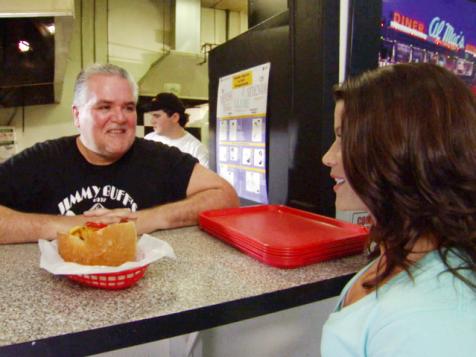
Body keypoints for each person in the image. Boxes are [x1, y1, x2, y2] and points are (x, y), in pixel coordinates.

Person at [321, 63, 476, 356]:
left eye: (344, 138)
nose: (327, 157)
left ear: (398, 149)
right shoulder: (401, 247)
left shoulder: (430, 319)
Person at [0, 64, 238, 244]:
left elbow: (225, 196)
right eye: (104, 107)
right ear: (76, 115)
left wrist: (146, 220)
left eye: (128, 107)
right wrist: (72, 225)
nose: (121, 117)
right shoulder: (43, 160)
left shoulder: (160, 158)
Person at [143, 92, 209, 167]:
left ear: (175, 117)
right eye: (152, 116)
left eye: (157, 116)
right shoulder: (149, 139)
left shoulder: (196, 149)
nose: (152, 121)